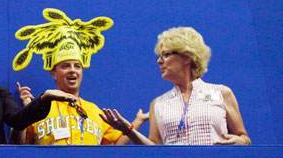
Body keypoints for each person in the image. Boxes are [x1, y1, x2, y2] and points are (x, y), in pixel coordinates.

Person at [101, 27, 251, 145]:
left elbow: (244, 137)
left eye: (165, 55)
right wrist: (128, 130)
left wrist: (241, 141)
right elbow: (154, 149)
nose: (159, 61)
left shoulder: (221, 93)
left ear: (187, 57)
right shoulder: (157, 104)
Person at [10, 39, 148, 145]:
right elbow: (16, 146)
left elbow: (117, 144)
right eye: (65, 66)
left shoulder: (94, 111)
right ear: (53, 73)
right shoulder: (39, 109)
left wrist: (138, 121)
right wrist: (26, 112)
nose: (72, 70)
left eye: (77, 66)